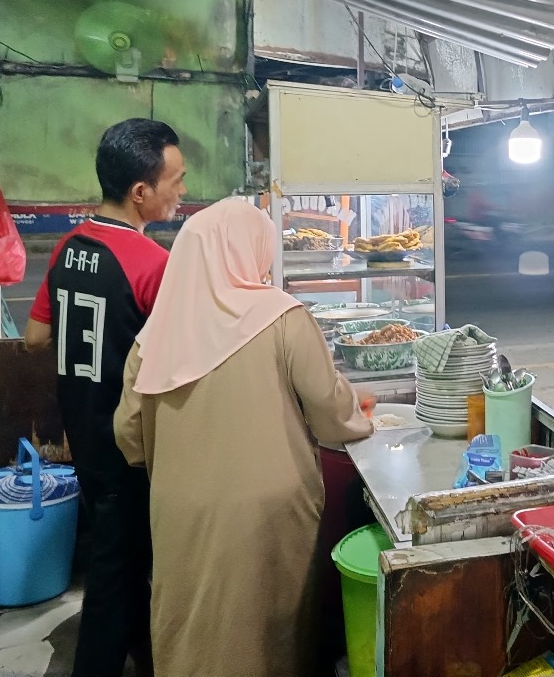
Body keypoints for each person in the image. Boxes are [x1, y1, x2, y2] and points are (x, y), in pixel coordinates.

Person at [112, 198, 374, 677]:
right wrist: (360, 420)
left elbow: (128, 433)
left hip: (181, 507)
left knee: (192, 623)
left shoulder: (156, 334)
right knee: (267, 630)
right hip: (270, 509)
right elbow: (329, 408)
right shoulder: (282, 317)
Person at [24, 118, 186, 677]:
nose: (182, 190)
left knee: (121, 552)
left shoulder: (69, 247)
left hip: (82, 431)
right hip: (128, 442)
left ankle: (148, 658)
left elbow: (35, 337)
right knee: (115, 574)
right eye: (176, 180)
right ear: (141, 191)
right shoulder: (152, 264)